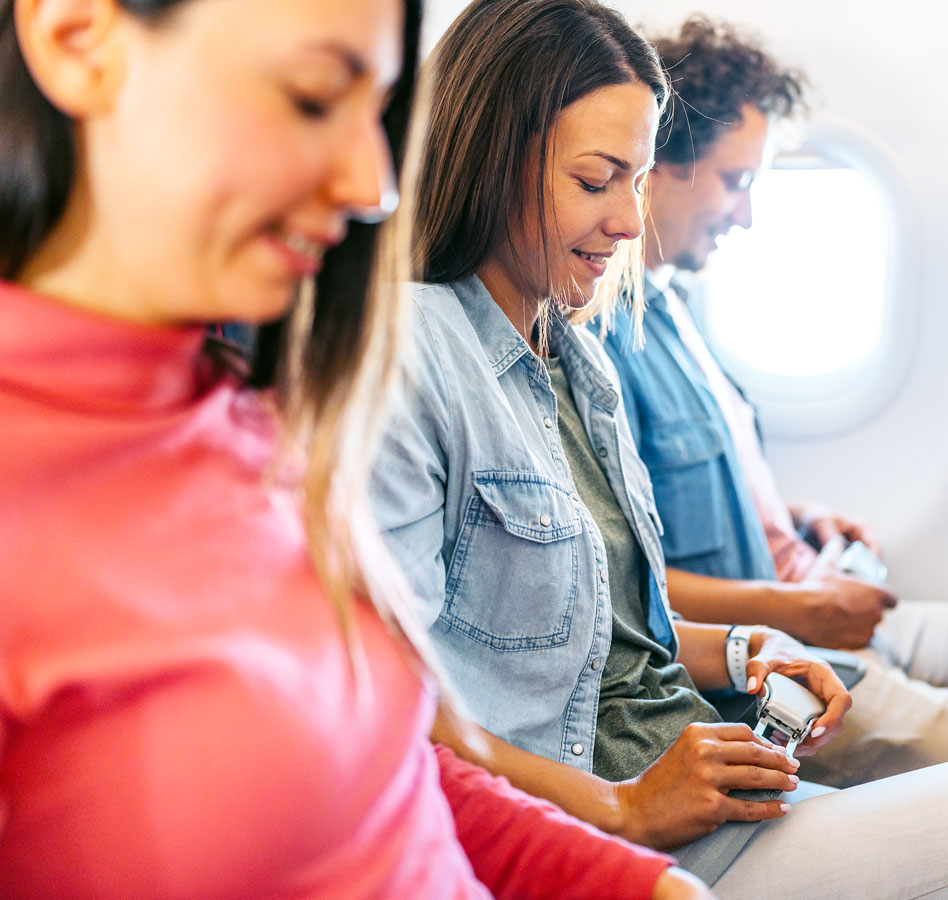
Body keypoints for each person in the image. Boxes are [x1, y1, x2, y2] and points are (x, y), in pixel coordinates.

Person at [370, 0, 948, 895]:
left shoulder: (572, 361)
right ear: (494, 161)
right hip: (638, 840)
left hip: (710, 788)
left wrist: (745, 650)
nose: (624, 220)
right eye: (597, 177)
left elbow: (597, 635)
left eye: (638, 182)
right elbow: (388, 703)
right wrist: (620, 809)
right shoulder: (414, 357)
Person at [0, 0, 709, 897]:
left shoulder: (239, 413)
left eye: (377, 117)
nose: (373, 183)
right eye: (310, 98)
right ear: (77, 39)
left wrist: (640, 884)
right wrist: (620, 814)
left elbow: (386, 778)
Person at [597, 16, 948, 790]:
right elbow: (624, 586)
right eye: (736, 181)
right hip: (774, 663)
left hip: (811, 600)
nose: (747, 214)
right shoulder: (604, 342)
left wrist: (794, 517)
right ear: (663, 165)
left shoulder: (675, 306)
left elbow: (693, 492)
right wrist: (800, 610)